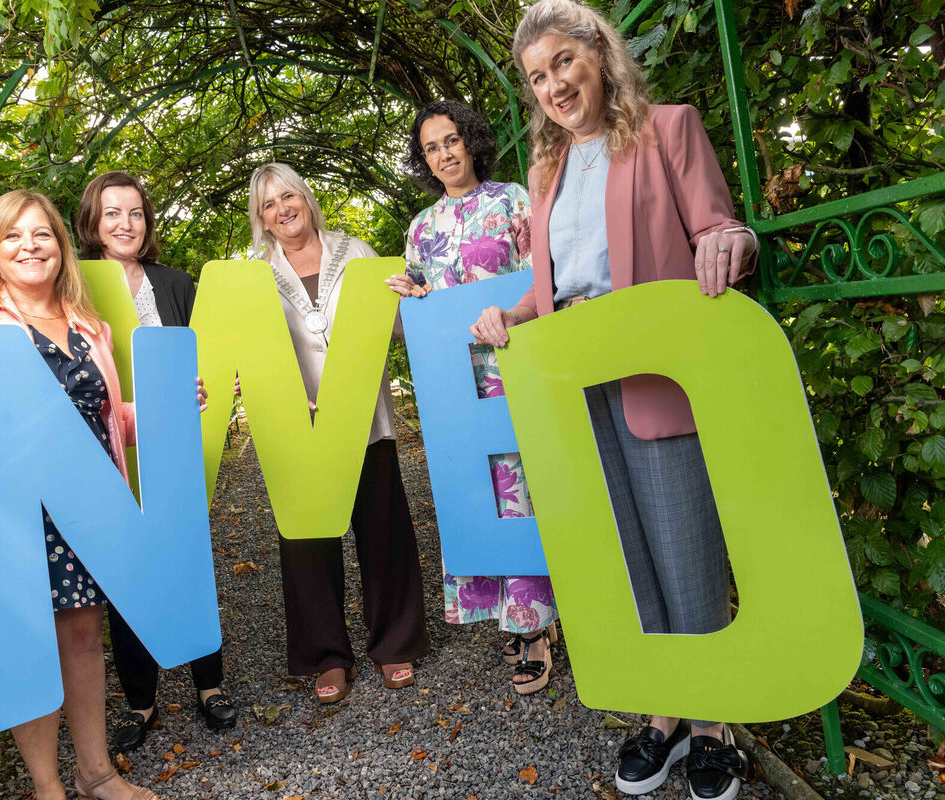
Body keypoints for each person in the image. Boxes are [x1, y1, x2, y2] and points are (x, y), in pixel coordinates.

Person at [470, 1, 758, 798]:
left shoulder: (668, 128)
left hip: (656, 381)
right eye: (537, 77)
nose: (554, 85)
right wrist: (510, 312)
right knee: (628, 557)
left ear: (599, 55)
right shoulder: (545, 171)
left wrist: (732, 241)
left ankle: (712, 725)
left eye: (564, 62)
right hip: (578, 389)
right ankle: (662, 714)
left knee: (684, 547)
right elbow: (549, 288)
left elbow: (717, 227)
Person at [0, 189, 195, 800]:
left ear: (61, 248)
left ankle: (97, 775)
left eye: (41, 235)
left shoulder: (90, 325)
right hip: (1, 504)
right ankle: (48, 787)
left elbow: (107, 415)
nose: (29, 246)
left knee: (84, 634)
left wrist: (169, 407)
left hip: (84, 501)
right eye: (13, 235)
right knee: (22, 638)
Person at [387, 100, 560, 696]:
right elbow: (416, 321)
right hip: (453, 385)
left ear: (473, 141)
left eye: (452, 140)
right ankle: (508, 618)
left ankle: (535, 628)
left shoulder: (515, 201)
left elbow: (546, 279)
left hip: (513, 371)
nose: (444, 153)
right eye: (432, 147)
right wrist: (409, 299)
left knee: (521, 494)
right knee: (475, 495)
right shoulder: (419, 229)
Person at [246, 162, 430, 705]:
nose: (283, 209)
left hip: (363, 418)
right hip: (297, 424)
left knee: (384, 529)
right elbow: (252, 350)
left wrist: (411, 298)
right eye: (270, 204)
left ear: (306, 197)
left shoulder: (357, 252)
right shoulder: (255, 272)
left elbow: (393, 326)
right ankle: (326, 656)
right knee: (307, 542)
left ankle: (395, 642)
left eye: (289, 195)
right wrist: (277, 392)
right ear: (262, 219)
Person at [76, 170, 236, 747]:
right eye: (112, 212)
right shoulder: (76, 288)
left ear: (148, 222)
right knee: (127, 572)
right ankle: (141, 701)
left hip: (174, 444)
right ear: (93, 221)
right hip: (112, 447)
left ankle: (209, 685)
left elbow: (209, 360)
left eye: (136, 213)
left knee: (189, 558)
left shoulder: (175, 284)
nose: (125, 224)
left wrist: (205, 389)